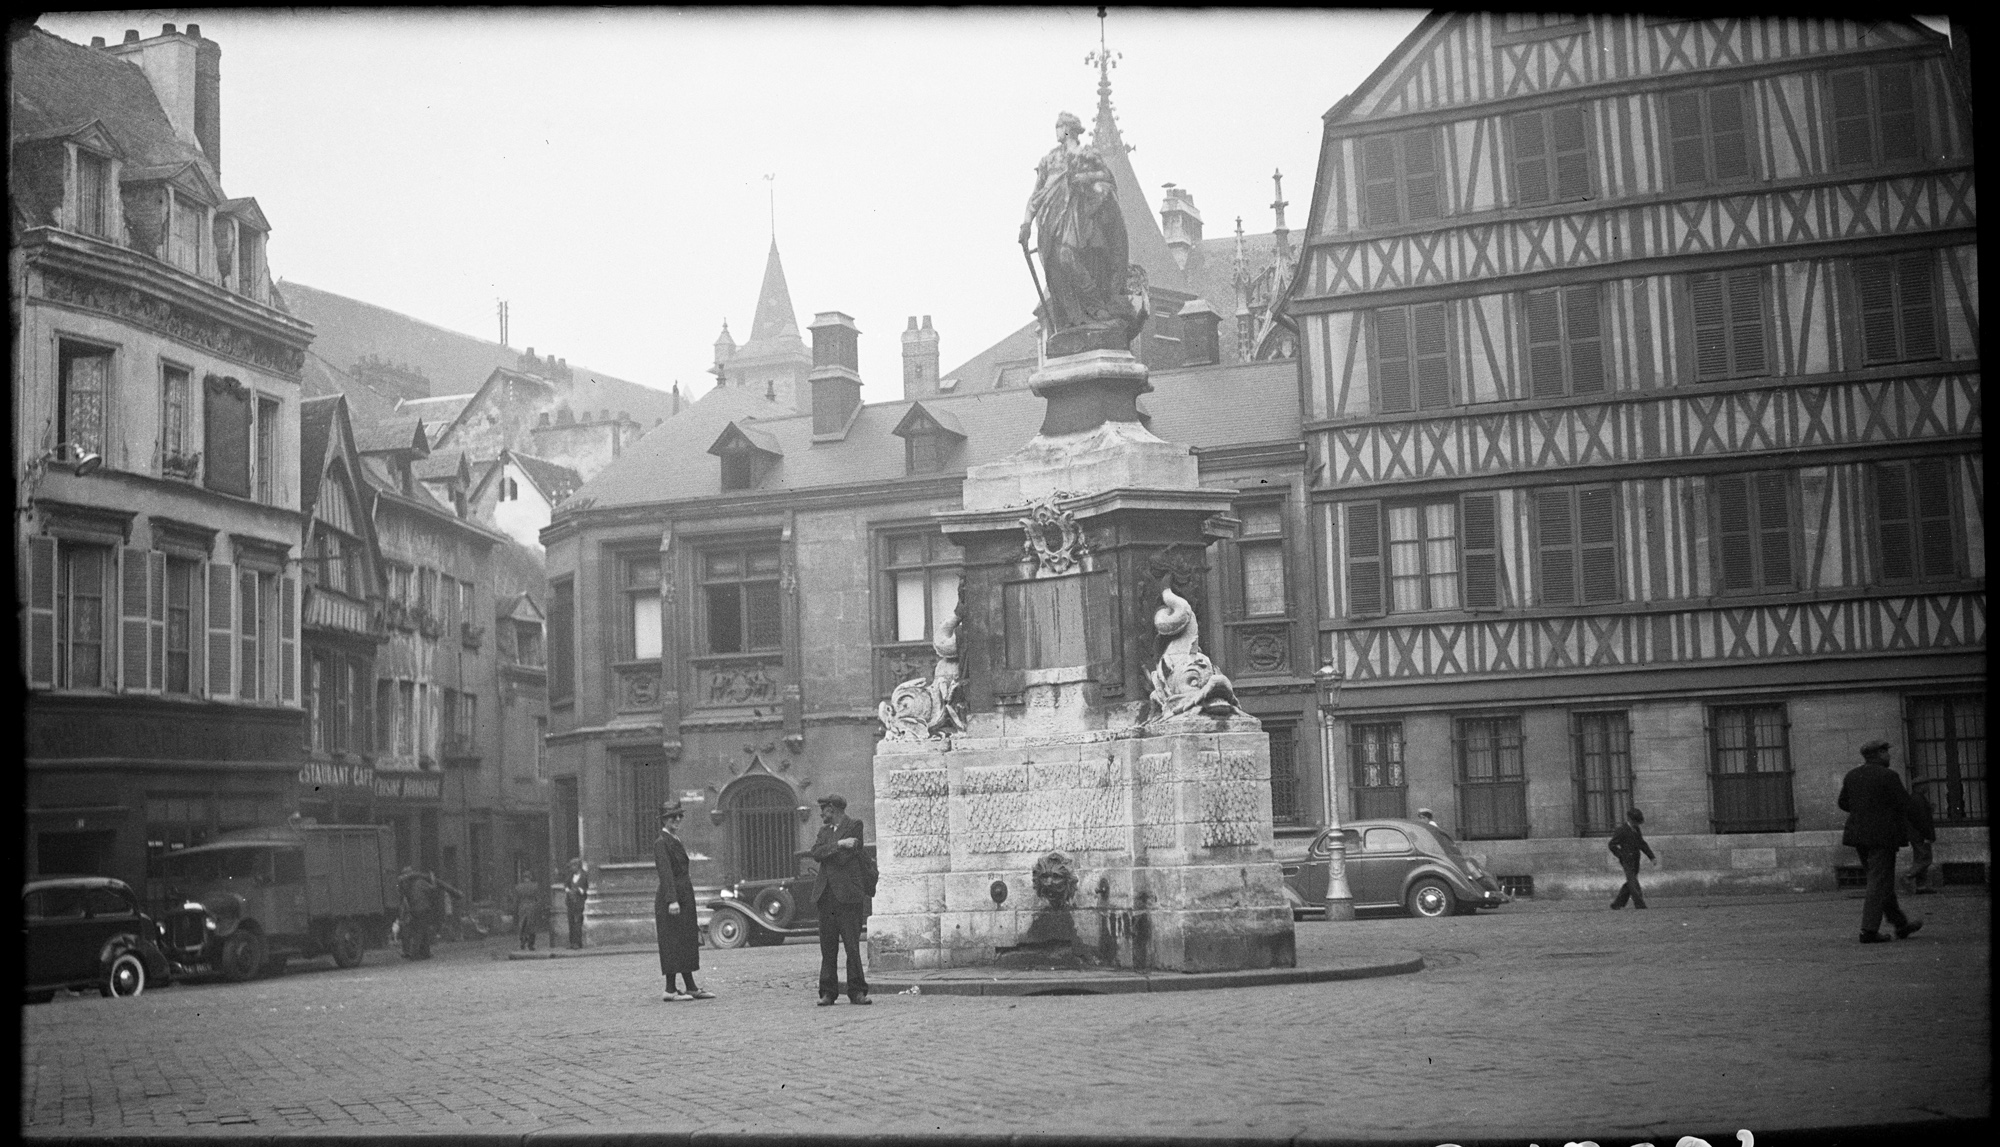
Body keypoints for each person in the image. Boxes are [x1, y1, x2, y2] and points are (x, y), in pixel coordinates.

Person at [1017, 110, 1143, 356]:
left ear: (1071, 130)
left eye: (1060, 126)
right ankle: (1073, 319)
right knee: (1055, 269)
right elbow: (1036, 195)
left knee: (1068, 256)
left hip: (1079, 217)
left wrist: (1080, 178)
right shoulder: (1048, 161)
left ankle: (1096, 307)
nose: (1056, 131)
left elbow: (1106, 179)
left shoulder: (1086, 154)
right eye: (1055, 126)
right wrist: (1026, 223)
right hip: (1050, 222)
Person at [1838, 740, 1924, 944]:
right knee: (1878, 881)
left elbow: (1842, 803)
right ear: (1879, 754)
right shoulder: (1889, 776)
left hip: (1858, 836)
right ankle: (1868, 931)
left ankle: (1900, 925)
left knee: (1880, 880)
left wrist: (1863, 812)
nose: (1889, 756)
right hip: (1883, 836)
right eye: (1886, 752)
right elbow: (1905, 803)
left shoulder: (1852, 775)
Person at [801, 794, 870, 1006]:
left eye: (824, 809)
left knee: (851, 946)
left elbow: (843, 858)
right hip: (826, 897)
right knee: (828, 948)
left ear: (833, 809)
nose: (821, 814)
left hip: (848, 897)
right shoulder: (824, 831)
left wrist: (832, 849)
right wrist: (840, 843)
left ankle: (857, 992)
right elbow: (816, 853)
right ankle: (828, 992)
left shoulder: (854, 825)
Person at [653, 801, 710, 1001]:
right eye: (672, 817)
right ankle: (670, 989)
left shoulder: (674, 838)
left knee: (686, 940)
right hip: (673, 899)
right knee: (673, 942)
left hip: (684, 896)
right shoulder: (662, 842)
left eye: (679, 816)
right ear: (663, 819)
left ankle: (691, 986)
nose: (677, 820)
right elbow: (666, 873)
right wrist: (672, 900)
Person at [1607, 807, 1656, 910]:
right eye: (1635, 822)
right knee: (1633, 883)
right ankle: (1640, 904)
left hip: (1635, 860)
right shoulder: (1621, 830)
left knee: (1630, 882)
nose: (1637, 824)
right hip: (1626, 860)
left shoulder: (1637, 829)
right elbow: (1612, 844)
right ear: (1630, 819)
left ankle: (1617, 903)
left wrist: (1651, 856)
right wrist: (1621, 855)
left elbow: (1642, 844)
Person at [1901, 772, 1938, 897]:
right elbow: (1922, 820)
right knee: (1925, 859)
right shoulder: (1918, 799)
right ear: (1920, 786)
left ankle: (1921, 886)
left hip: (1917, 834)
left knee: (1920, 858)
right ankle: (1908, 876)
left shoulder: (1916, 798)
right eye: (1925, 784)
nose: (1927, 787)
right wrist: (1927, 835)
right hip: (1920, 835)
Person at [396, 867, 436, 960]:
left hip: (413, 910)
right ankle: (415, 954)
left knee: (422, 931)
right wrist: (433, 879)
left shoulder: (406, 886)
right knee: (420, 932)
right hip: (423, 909)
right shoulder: (420, 883)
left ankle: (426, 952)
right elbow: (433, 888)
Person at [513, 872, 546, 952]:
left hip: (522, 907)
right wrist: (539, 907)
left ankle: (523, 940)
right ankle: (531, 944)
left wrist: (515, 909)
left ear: (523, 878)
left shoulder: (518, 887)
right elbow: (538, 898)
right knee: (532, 925)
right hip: (532, 906)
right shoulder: (535, 886)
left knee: (522, 925)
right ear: (530, 877)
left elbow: (516, 900)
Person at [563, 858, 590, 949]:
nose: (571, 868)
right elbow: (566, 885)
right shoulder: (570, 876)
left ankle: (578, 943)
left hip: (579, 901)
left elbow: (587, 888)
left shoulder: (584, 875)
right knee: (571, 922)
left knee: (578, 922)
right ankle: (572, 942)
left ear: (578, 866)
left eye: (573, 866)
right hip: (570, 902)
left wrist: (580, 890)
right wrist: (568, 890)